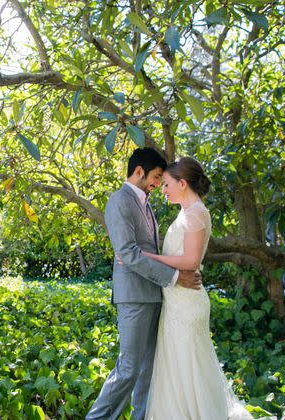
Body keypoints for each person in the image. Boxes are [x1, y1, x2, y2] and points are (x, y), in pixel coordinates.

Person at [86, 148, 202, 420]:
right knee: (128, 368)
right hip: (134, 297)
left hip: (155, 295)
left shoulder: (146, 203)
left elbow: (147, 249)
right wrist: (175, 277)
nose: (158, 183)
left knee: (148, 370)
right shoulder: (119, 201)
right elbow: (128, 253)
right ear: (138, 171)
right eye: (155, 176)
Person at [142, 157, 253, 420]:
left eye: (167, 184)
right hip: (176, 301)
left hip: (187, 304)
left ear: (182, 183)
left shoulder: (196, 214)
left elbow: (191, 261)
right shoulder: (186, 212)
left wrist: (151, 257)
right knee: (176, 369)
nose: (164, 189)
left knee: (189, 368)